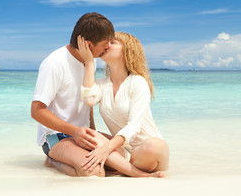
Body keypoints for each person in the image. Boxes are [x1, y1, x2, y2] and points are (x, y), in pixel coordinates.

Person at [31, 12, 115, 177]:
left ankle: (74, 160)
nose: (109, 47)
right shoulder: (54, 63)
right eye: (106, 43)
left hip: (81, 133)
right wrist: (74, 131)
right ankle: (53, 161)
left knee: (123, 156)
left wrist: (94, 132)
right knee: (95, 172)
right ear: (89, 44)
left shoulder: (90, 60)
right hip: (55, 136)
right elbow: (36, 110)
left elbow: (87, 99)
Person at [77, 32, 169, 176]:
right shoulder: (102, 83)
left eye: (112, 42)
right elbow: (89, 99)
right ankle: (126, 168)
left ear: (126, 50)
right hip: (123, 151)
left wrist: (105, 149)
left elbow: (133, 126)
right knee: (89, 136)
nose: (106, 45)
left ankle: (121, 168)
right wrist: (89, 62)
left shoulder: (137, 82)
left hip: (149, 152)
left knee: (154, 146)